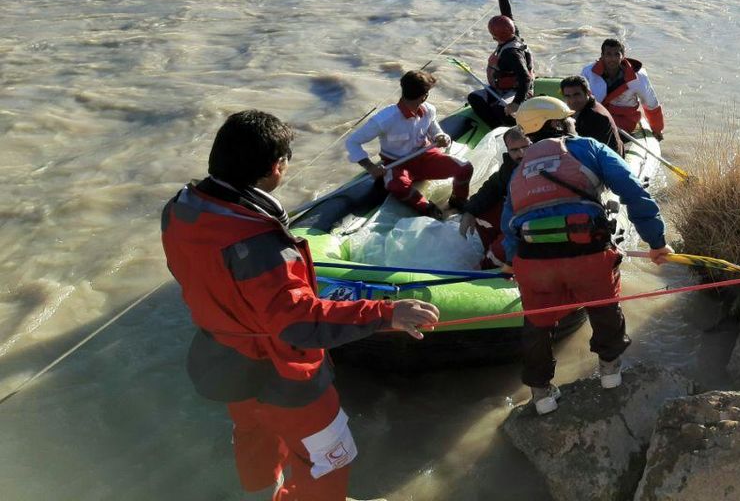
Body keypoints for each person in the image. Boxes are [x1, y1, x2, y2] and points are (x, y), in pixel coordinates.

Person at [161, 110, 440, 501]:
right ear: (277, 167)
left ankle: (262, 494)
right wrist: (386, 313)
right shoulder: (261, 244)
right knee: (328, 460)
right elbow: (298, 323)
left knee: (253, 436)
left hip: (223, 360)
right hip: (284, 375)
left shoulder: (179, 209)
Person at [501, 97, 673, 415]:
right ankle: (610, 371)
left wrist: (516, 263)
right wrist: (657, 242)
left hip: (533, 262)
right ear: (555, 123)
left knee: (537, 323)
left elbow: (508, 226)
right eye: (569, 118)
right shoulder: (588, 148)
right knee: (604, 304)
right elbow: (633, 192)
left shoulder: (519, 170)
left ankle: (541, 394)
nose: (574, 121)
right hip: (587, 255)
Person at [345, 69, 472, 218]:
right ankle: (426, 207)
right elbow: (352, 142)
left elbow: (434, 129)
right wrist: (370, 166)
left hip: (426, 157)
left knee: (465, 167)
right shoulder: (385, 118)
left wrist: (441, 136)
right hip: (397, 164)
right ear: (424, 96)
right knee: (397, 185)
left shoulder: (429, 110)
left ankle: (459, 200)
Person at [467, 0, 534, 130]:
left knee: (500, 110)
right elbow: (506, 11)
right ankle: (495, 128)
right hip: (499, 88)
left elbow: (525, 77)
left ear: (494, 35)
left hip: (516, 91)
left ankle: (508, 130)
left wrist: (517, 103)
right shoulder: (513, 34)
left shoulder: (511, 53)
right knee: (474, 97)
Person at [458, 126, 530, 268]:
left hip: (534, 220)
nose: (521, 153)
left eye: (525, 147)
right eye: (514, 150)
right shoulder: (509, 167)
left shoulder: (545, 164)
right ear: (507, 150)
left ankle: (489, 266)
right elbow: (491, 188)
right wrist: (469, 211)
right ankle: (490, 252)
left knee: (500, 251)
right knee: (481, 214)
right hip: (516, 216)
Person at [581, 38, 665, 140]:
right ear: (602, 56)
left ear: (623, 57)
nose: (612, 59)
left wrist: (657, 129)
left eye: (616, 54)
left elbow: (651, 104)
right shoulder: (589, 72)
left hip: (625, 120)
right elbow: (580, 97)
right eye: (608, 54)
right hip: (598, 116)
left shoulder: (638, 76)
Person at [560, 74, 622, 156]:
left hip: (606, 163)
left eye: (577, 95)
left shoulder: (596, 117)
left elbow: (592, 154)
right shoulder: (582, 108)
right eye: (568, 96)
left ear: (588, 93)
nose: (572, 101)